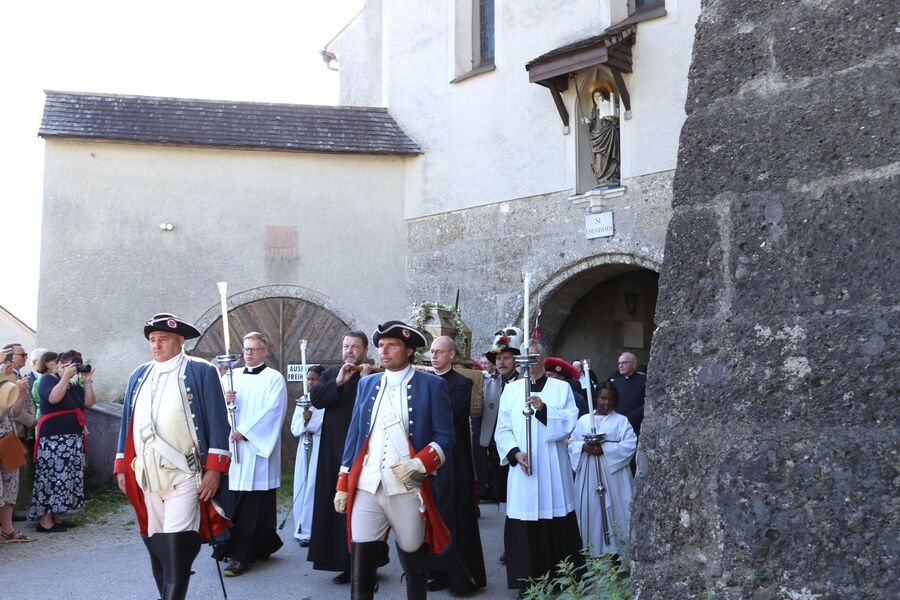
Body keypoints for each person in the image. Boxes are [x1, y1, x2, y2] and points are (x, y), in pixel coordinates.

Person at [334, 320, 455, 600]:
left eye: (392, 346)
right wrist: (343, 481)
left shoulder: (431, 385)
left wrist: (421, 463)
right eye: (381, 346)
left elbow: (446, 435)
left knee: (414, 557)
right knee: (360, 558)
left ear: (409, 350)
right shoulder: (367, 384)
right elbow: (354, 436)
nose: (384, 351)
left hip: (407, 487)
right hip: (367, 484)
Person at [114, 313, 231, 600]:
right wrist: (120, 465)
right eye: (153, 340)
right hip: (147, 475)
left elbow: (218, 422)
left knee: (176, 548)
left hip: (186, 474)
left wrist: (214, 470)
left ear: (180, 341)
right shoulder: (138, 375)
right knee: (158, 548)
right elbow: (126, 423)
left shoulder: (201, 371)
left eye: (163, 340)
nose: (156, 345)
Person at [495, 339, 582, 595]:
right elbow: (503, 428)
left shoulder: (560, 388)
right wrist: (514, 452)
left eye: (533, 358)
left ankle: (559, 579)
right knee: (523, 522)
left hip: (551, 466)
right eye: (523, 358)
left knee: (554, 519)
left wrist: (544, 410)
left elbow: (569, 421)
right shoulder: (511, 391)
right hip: (523, 468)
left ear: (544, 358)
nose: (528, 363)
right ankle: (526, 583)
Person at [308, 331, 384, 582]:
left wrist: (365, 381)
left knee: (364, 507)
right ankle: (342, 563)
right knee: (336, 507)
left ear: (364, 350)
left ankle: (366, 564)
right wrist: (338, 383)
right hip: (333, 451)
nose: (349, 350)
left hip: (365, 451)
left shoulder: (374, 375)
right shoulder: (331, 375)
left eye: (355, 347)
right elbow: (316, 400)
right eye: (345, 346)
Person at [217, 332, 287, 577]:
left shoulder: (274, 378)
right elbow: (221, 409)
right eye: (246, 349)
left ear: (265, 352)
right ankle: (256, 545)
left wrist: (245, 432)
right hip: (234, 450)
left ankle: (241, 556)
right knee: (234, 502)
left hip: (257, 450)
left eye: (254, 349)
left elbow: (274, 411)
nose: (249, 353)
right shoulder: (231, 377)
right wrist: (226, 400)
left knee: (254, 506)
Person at [425, 336, 487, 594]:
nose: (434, 356)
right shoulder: (425, 382)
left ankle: (461, 576)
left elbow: (450, 418)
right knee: (434, 515)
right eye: (432, 351)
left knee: (455, 515)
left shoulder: (461, 383)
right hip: (429, 457)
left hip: (454, 459)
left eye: (440, 352)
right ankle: (438, 572)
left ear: (452, 355)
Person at [29, 349, 95, 532]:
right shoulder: (47, 380)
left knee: (64, 479)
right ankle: (45, 521)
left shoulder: (73, 384)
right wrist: (65, 376)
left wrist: (88, 381)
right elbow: (53, 398)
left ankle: (56, 516)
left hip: (71, 439)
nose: (72, 367)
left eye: (75, 363)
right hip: (53, 439)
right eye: (68, 363)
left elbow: (89, 402)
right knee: (51, 477)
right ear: (59, 364)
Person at [568, 383, 636, 557]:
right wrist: (584, 447)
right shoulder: (584, 420)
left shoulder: (621, 421)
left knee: (617, 509)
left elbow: (629, 445)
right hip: (590, 471)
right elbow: (572, 443)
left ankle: (621, 554)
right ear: (596, 398)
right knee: (593, 511)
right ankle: (595, 555)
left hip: (614, 474)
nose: (607, 403)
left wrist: (604, 450)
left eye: (611, 399)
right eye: (603, 398)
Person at [478, 331, 521, 505]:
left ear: (516, 361)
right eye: (498, 359)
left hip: (515, 447)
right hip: (492, 446)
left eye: (506, 358)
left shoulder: (523, 385)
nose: (501, 362)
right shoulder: (489, 384)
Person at [2, 343, 37, 521]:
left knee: (12, 481)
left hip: (10, 433)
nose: (25, 357)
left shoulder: (13, 376)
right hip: (5, 433)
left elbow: (13, 409)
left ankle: (8, 526)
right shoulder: (5, 377)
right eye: (21, 354)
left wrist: (21, 393)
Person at [291, 364, 324, 546]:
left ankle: (313, 529)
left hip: (319, 445)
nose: (311, 382)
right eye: (309, 379)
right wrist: (304, 422)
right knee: (302, 485)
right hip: (304, 445)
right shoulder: (304, 399)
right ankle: (301, 526)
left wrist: (311, 421)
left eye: (315, 379)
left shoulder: (325, 399)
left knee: (313, 485)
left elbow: (322, 423)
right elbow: (295, 427)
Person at [585, 85, 620, 187]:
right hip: (597, 138)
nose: (597, 100)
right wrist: (588, 122)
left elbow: (616, 120)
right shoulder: (595, 111)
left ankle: (611, 177)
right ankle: (602, 178)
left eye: (599, 97)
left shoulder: (610, 105)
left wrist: (612, 119)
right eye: (595, 98)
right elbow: (593, 125)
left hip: (608, 135)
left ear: (603, 97)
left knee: (608, 156)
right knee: (599, 157)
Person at [608, 352, 646, 436]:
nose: (621, 366)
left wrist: (630, 418)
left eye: (624, 363)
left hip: (636, 425)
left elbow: (647, 403)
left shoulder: (644, 381)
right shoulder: (616, 382)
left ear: (634, 364)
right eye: (619, 363)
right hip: (618, 425)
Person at [31, 351, 59, 420]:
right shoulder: (38, 381)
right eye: (56, 362)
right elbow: (37, 400)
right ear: (46, 363)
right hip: (45, 414)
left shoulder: (56, 378)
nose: (58, 364)